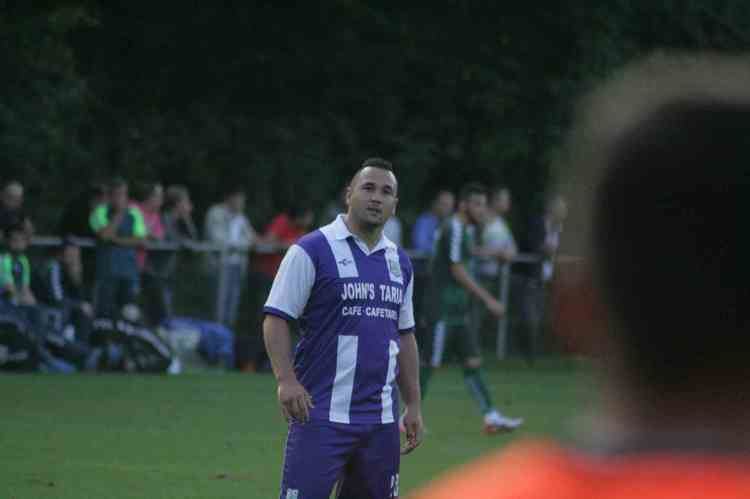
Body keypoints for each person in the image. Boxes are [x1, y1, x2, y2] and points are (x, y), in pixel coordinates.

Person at [411, 53, 750, 499]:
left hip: (458, 312)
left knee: (463, 363)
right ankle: (422, 412)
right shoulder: (455, 230)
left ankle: (468, 413)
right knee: (442, 363)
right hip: (447, 309)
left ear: (570, 308)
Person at [263, 157, 422, 499]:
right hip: (320, 415)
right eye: (368, 188)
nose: (376, 197)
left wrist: (413, 404)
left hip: (380, 422)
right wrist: (285, 380)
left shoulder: (400, 262)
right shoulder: (311, 250)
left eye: (386, 191)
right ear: (348, 194)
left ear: (395, 205)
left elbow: (405, 335)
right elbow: (276, 319)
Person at [421, 182, 522, 434]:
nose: (480, 209)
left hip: (458, 311)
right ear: (463, 205)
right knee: (430, 363)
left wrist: (491, 252)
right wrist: (488, 299)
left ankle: (491, 416)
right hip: (442, 308)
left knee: (473, 361)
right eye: (476, 204)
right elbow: (456, 269)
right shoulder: (454, 226)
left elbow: (464, 254)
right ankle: (403, 418)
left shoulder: (463, 230)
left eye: (483, 205)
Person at [513, 194, 567, 362]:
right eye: (561, 209)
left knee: (540, 317)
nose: (564, 213)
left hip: (545, 280)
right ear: (551, 209)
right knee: (530, 317)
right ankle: (529, 356)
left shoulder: (560, 228)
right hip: (528, 278)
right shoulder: (537, 223)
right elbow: (532, 244)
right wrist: (546, 249)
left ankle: (534, 355)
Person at [89, 177, 147, 319]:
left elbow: (140, 240)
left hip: (129, 273)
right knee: (104, 314)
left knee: (129, 314)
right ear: (110, 196)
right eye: (118, 194)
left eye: (124, 194)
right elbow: (104, 235)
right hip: (107, 273)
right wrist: (119, 215)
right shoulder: (100, 212)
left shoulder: (134, 213)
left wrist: (115, 240)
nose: (122, 199)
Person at [204, 187, 256, 326]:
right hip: (220, 266)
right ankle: (215, 335)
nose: (242, 203)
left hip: (238, 265)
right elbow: (219, 240)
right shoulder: (215, 213)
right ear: (231, 198)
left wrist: (240, 244)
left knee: (233, 303)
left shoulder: (241, 218)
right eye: (240, 199)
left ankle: (227, 335)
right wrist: (242, 244)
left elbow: (252, 239)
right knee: (218, 304)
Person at [411, 190, 455, 256]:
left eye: (450, 205)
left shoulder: (453, 223)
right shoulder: (424, 222)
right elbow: (420, 246)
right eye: (444, 204)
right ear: (435, 204)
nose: (447, 208)